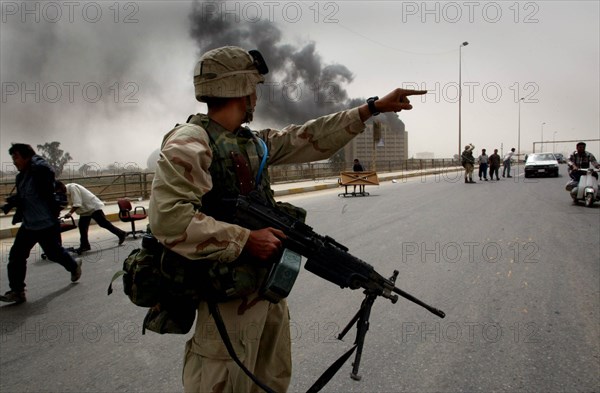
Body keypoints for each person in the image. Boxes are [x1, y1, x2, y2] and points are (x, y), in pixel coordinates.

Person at [148, 46, 426, 393]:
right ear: (242, 88)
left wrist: (370, 109)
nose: (256, 97)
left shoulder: (252, 142)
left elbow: (309, 137)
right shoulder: (191, 141)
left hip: (267, 292)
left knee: (272, 381)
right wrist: (247, 239)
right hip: (226, 304)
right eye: (255, 88)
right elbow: (169, 221)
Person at [0, 144, 82, 304]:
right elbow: (27, 196)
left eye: (16, 157)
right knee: (16, 256)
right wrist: (12, 202)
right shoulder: (21, 176)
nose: (14, 162)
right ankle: (17, 291)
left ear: (27, 157)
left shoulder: (40, 170)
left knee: (54, 253)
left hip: (46, 224)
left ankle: (73, 266)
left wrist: (35, 163)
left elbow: (47, 175)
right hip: (29, 224)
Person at [58, 182, 126, 253]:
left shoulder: (73, 188)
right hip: (86, 210)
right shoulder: (65, 192)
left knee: (103, 223)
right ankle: (85, 246)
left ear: (62, 187)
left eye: (59, 190)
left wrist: (70, 213)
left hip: (93, 207)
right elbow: (66, 203)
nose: (60, 192)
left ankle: (121, 234)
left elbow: (77, 203)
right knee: (82, 227)